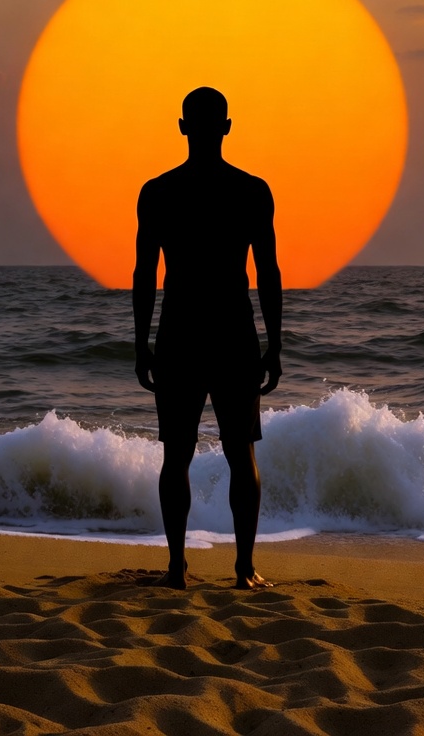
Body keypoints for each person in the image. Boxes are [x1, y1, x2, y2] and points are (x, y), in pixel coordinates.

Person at [133, 86, 282, 590]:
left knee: (177, 454)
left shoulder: (158, 192)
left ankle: (177, 567)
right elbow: (269, 273)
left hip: (179, 332)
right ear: (226, 127)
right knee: (242, 454)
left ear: (182, 126)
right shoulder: (251, 190)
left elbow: (143, 274)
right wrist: (274, 343)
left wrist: (141, 342)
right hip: (233, 331)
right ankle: (244, 567)